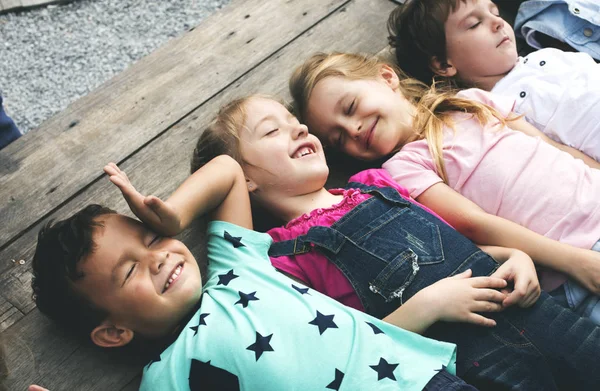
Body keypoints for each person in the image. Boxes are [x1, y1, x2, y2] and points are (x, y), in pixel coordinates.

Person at [189, 94, 600, 390]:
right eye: (272, 131)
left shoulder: (374, 184)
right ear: (243, 179)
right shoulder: (281, 260)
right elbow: (343, 345)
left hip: (538, 313)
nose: (298, 127)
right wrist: (430, 305)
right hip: (474, 363)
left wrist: (517, 256)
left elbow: (454, 246)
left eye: (293, 119)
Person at [30, 155, 476, 390]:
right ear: (113, 332)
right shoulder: (163, 378)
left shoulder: (234, 268)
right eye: (129, 273)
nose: (158, 258)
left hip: (422, 384)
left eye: (149, 240)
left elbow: (226, 171)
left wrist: (171, 217)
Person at [289, 51, 600, 327]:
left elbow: (552, 146)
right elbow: (474, 224)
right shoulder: (402, 168)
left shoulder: (472, 101)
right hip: (573, 261)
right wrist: (574, 260)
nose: (352, 129)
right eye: (338, 139)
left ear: (387, 77)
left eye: (351, 107)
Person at [386, 0, 600, 161]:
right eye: (474, 24)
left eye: (494, 12)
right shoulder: (494, 113)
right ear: (444, 65)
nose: (498, 22)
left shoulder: (546, 54)